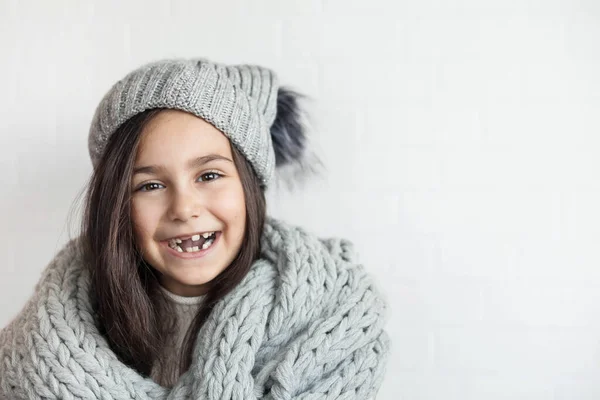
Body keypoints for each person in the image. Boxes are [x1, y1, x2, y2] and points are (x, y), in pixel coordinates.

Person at [0, 58, 389, 399]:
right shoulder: (43, 342)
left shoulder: (331, 317)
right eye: (150, 186)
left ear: (248, 187)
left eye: (209, 175)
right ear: (117, 205)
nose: (184, 209)